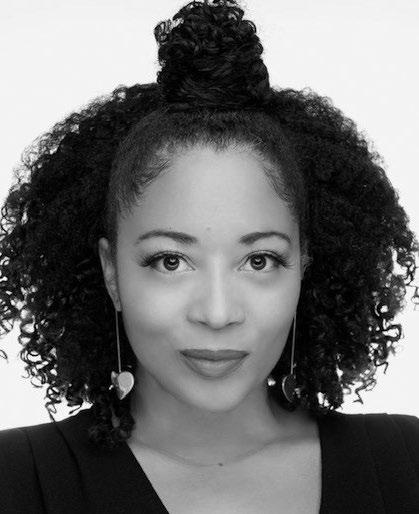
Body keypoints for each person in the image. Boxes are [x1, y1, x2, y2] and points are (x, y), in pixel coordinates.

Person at [0, 0, 418, 512]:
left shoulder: (405, 464)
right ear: (112, 273)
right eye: (170, 261)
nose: (217, 314)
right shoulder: (16, 480)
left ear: (304, 266)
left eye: (259, 260)